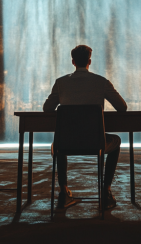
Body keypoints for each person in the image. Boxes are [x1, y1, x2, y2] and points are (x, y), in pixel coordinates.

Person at [43, 44, 127, 210]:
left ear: (73, 62)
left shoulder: (61, 83)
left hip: (66, 143)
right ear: (89, 61)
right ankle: (106, 190)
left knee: (58, 142)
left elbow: (47, 109)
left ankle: (63, 191)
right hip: (95, 142)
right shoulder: (101, 82)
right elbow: (122, 107)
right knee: (115, 141)